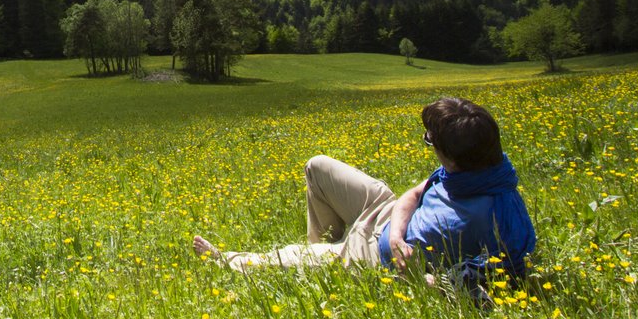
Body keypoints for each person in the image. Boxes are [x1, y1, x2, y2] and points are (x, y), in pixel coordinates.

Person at [193, 97, 535, 279]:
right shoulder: (484, 166)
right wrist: (399, 231)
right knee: (317, 167)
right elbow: (414, 194)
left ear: (452, 155)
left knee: (287, 260)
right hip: (385, 215)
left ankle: (229, 261)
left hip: (371, 254)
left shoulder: (482, 223)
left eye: (430, 141)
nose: (428, 145)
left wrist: (412, 267)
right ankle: (323, 246)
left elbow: (466, 285)